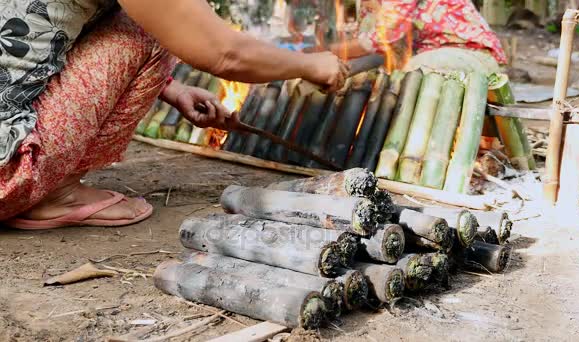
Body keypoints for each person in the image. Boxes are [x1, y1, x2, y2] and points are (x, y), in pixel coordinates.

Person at [0, 0, 348, 229]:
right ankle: (54, 193)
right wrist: (311, 65)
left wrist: (173, 89)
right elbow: (225, 54)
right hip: (7, 175)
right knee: (148, 31)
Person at [322, 0, 507, 74]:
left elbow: (377, 40)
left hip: (467, 52)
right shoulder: (369, 5)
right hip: (436, 54)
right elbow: (374, 47)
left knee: (411, 76)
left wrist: (320, 53)